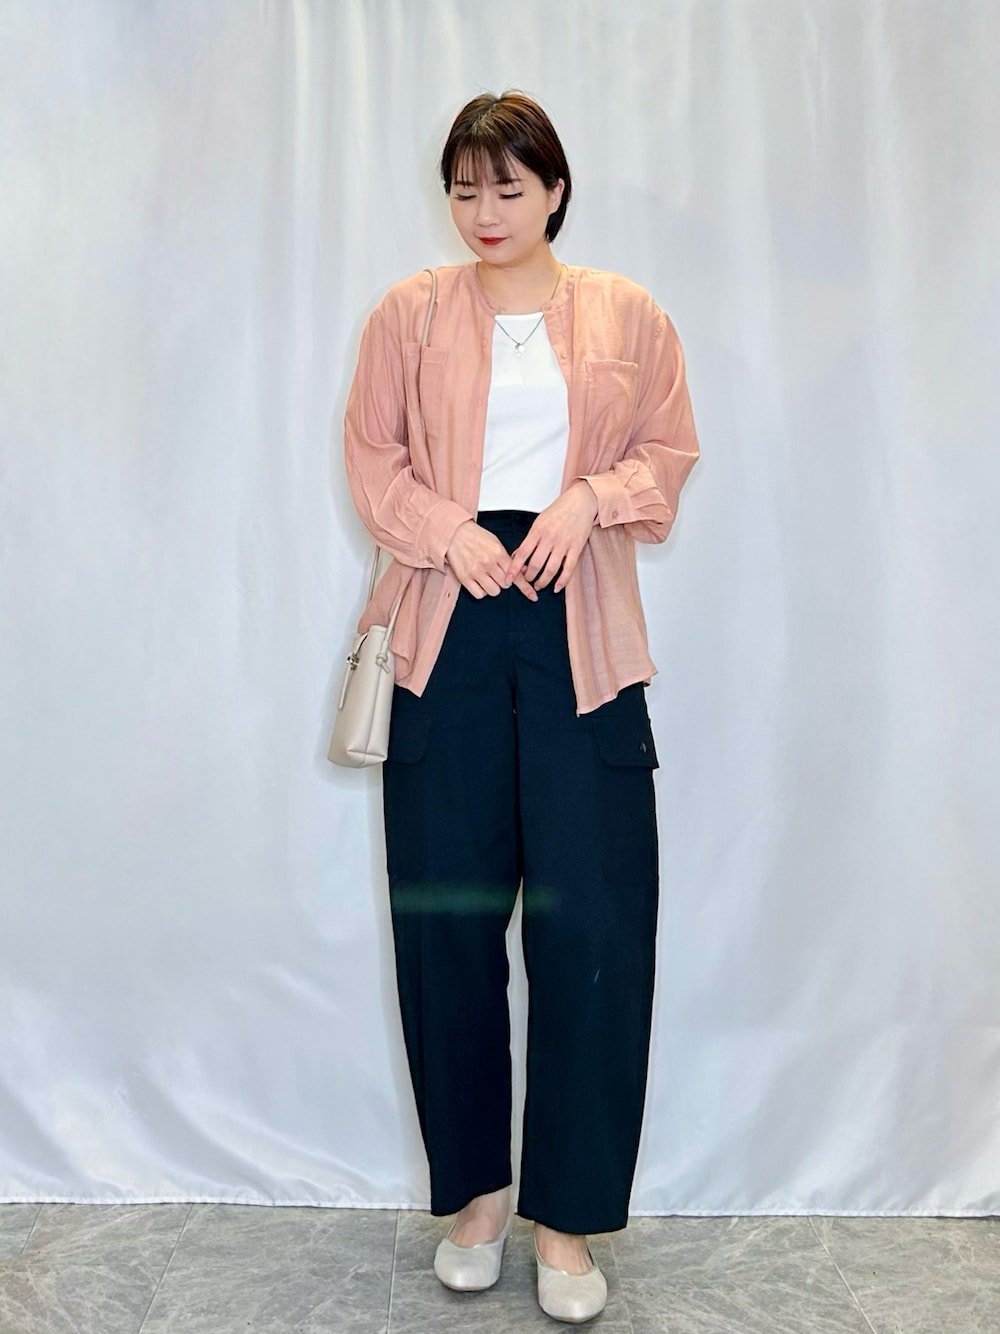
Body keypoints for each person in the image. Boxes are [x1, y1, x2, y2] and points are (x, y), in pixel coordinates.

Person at [342, 90, 699, 1324]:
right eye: (463, 188)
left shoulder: (628, 313)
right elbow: (372, 458)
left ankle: (567, 1219)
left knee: (594, 920)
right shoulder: (406, 313)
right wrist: (446, 529)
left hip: (579, 632)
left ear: (553, 190)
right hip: (444, 628)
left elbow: (667, 454)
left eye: (507, 186)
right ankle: (477, 1200)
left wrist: (587, 499)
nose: (483, 210)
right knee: (445, 919)